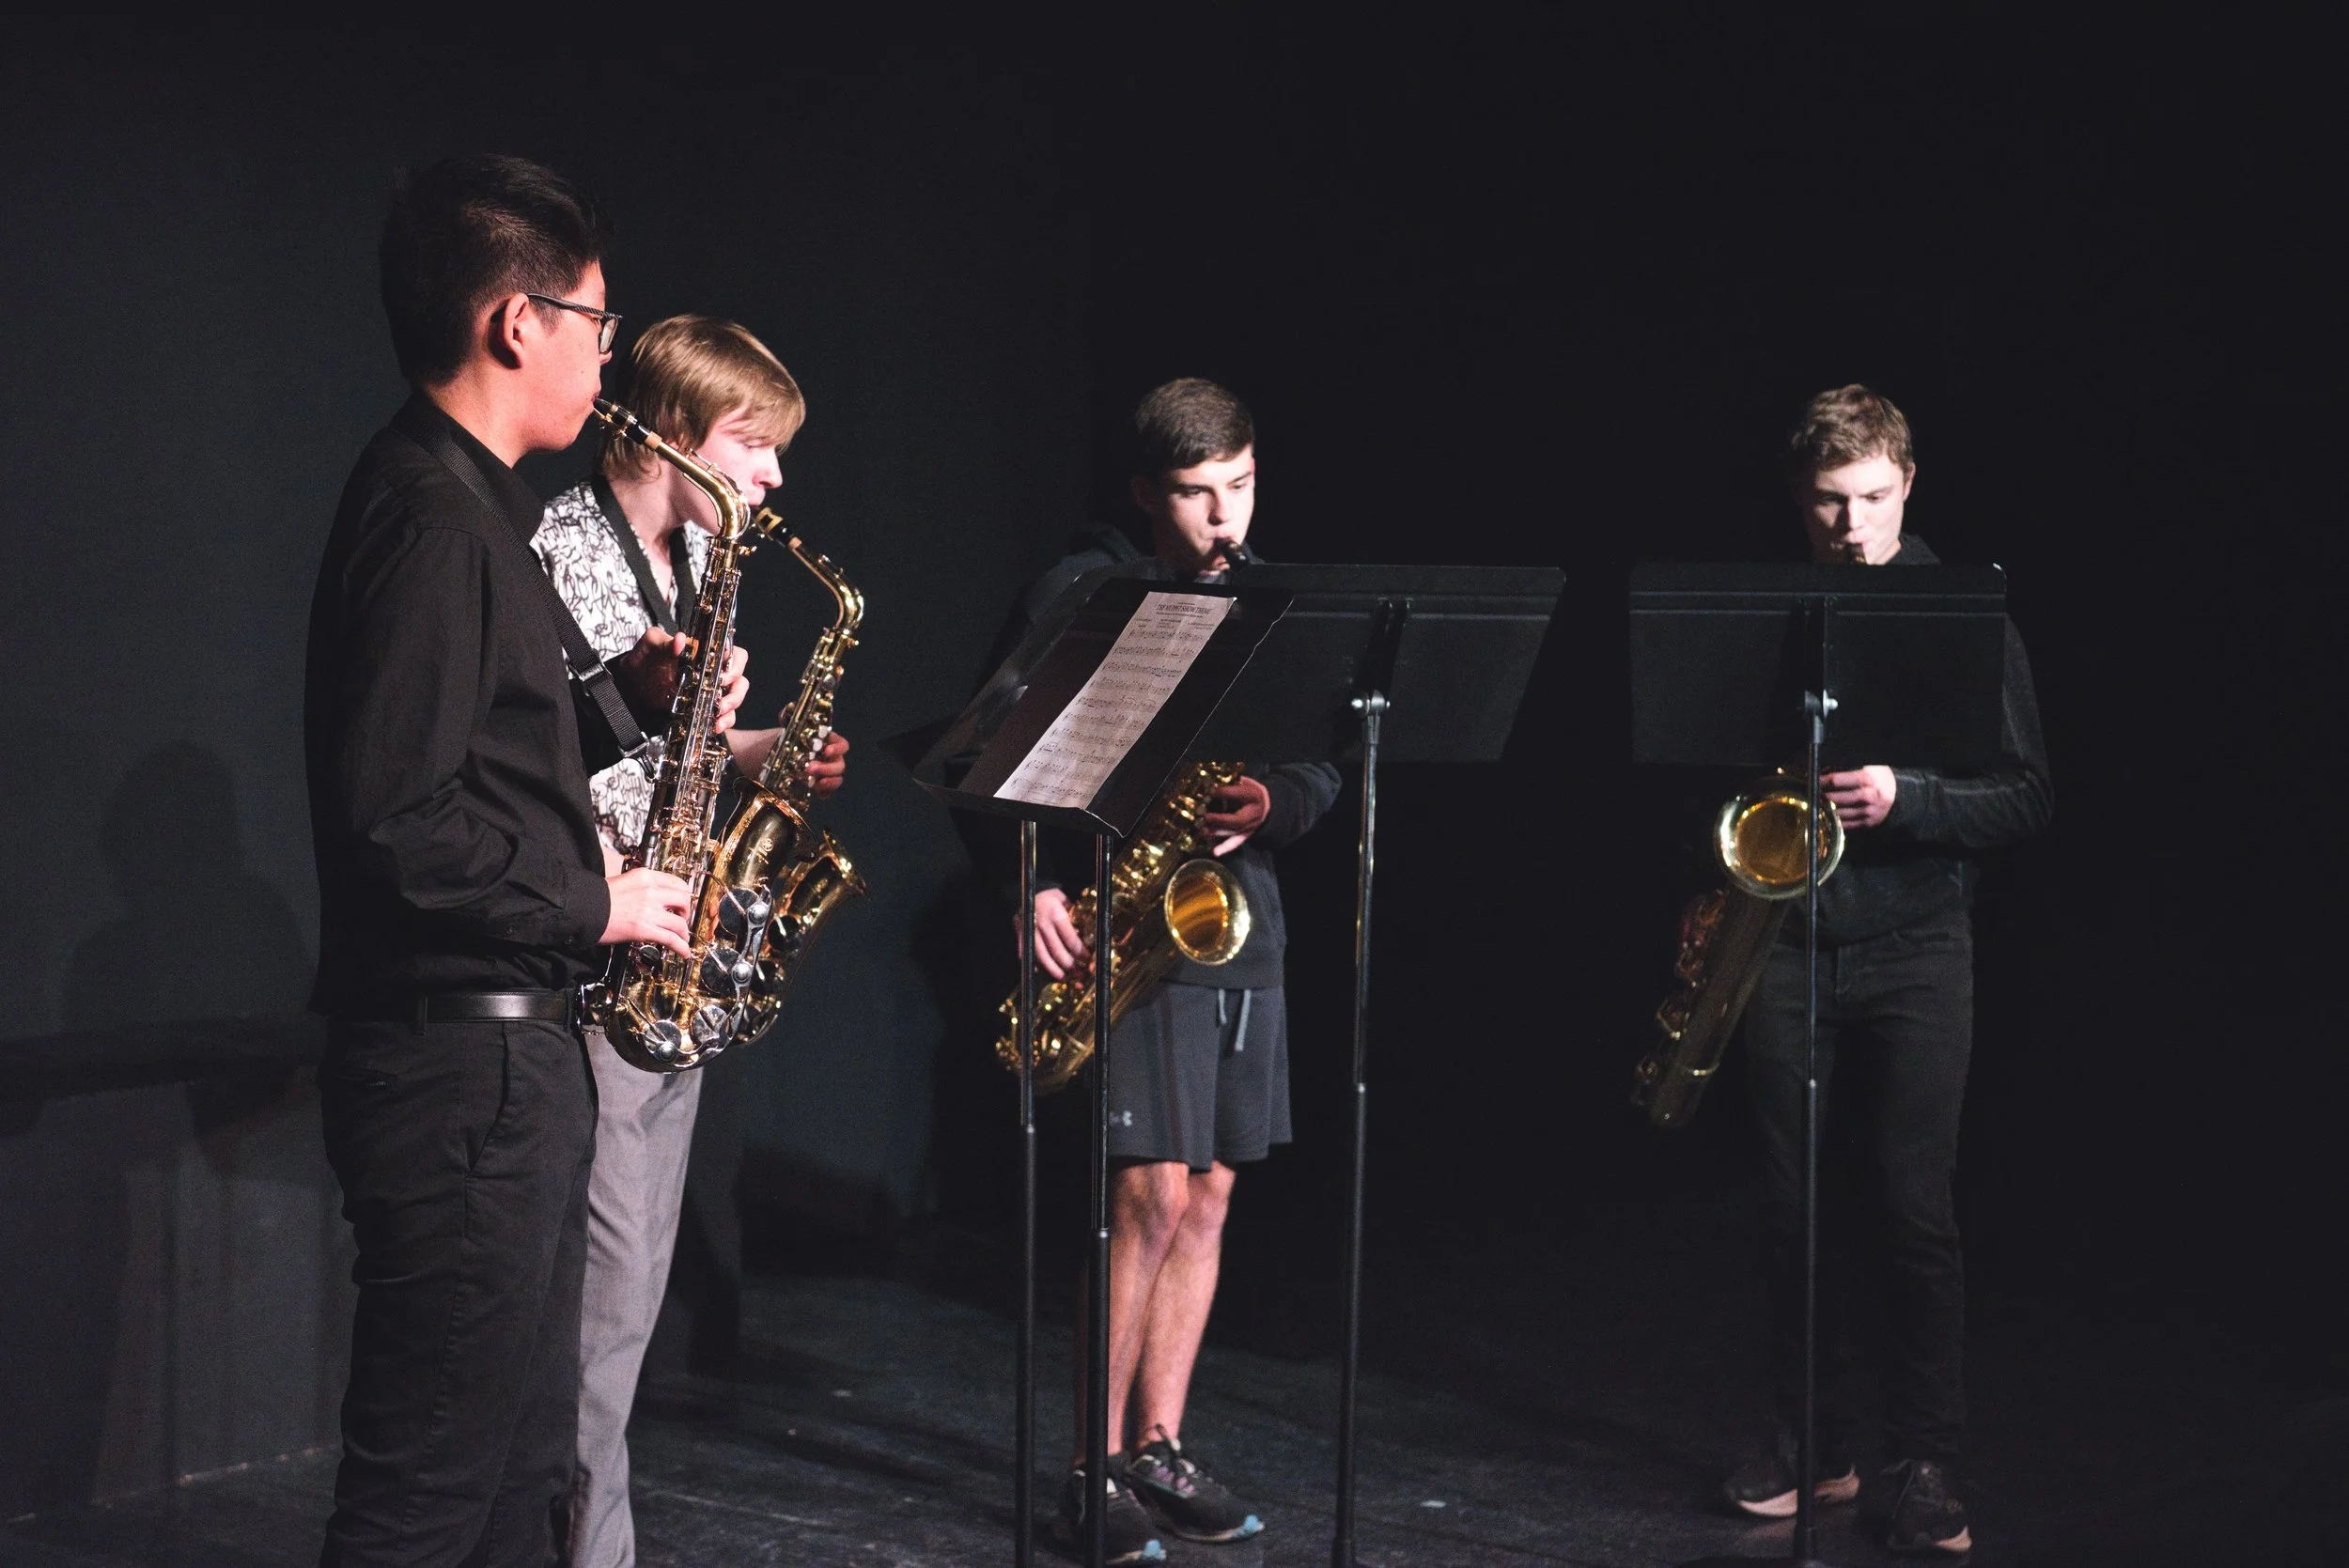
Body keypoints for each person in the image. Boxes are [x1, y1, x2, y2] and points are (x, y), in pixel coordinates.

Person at [303, 155, 747, 1568]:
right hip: (463, 1072)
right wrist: (595, 900)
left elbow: (484, 761)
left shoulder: (467, 506)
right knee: (429, 1497)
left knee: (517, 1481)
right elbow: (397, 818)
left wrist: (623, 701)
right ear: (517, 322)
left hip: (504, 1062)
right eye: (599, 323)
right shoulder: (435, 519)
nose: (609, 356)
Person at [987, 379, 1340, 1563]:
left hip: (1239, 923)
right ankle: (1088, 1469)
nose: (1224, 518)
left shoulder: (1271, 597)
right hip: (1125, 921)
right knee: (1147, 1198)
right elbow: (994, 751)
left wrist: (1277, 800)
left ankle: (1156, 1445)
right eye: (1196, 494)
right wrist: (1033, 881)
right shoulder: (1085, 592)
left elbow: (1325, 760)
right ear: (1146, 492)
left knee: (1211, 1193)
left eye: (1240, 486)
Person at [530, 314, 847, 1568]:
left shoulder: (696, 558)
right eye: (752, 445)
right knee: (602, 1306)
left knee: (637, 1292)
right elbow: (538, 762)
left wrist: (767, 753)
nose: (772, 476)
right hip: (604, 954)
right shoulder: (562, 548)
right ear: (673, 437)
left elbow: (676, 752)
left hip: (675, 947)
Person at [1719, 385, 2051, 1558]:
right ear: (1798, 499)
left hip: (1916, 942)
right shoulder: (1766, 614)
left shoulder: (1963, 616)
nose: (1852, 528)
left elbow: (2027, 795)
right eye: (1829, 502)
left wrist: (1908, 798)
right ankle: (1816, 1443)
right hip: (1783, 938)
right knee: (1788, 1207)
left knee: (1912, 1211)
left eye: (1870, 498)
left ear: (1906, 485)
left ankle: (1925, 1459)